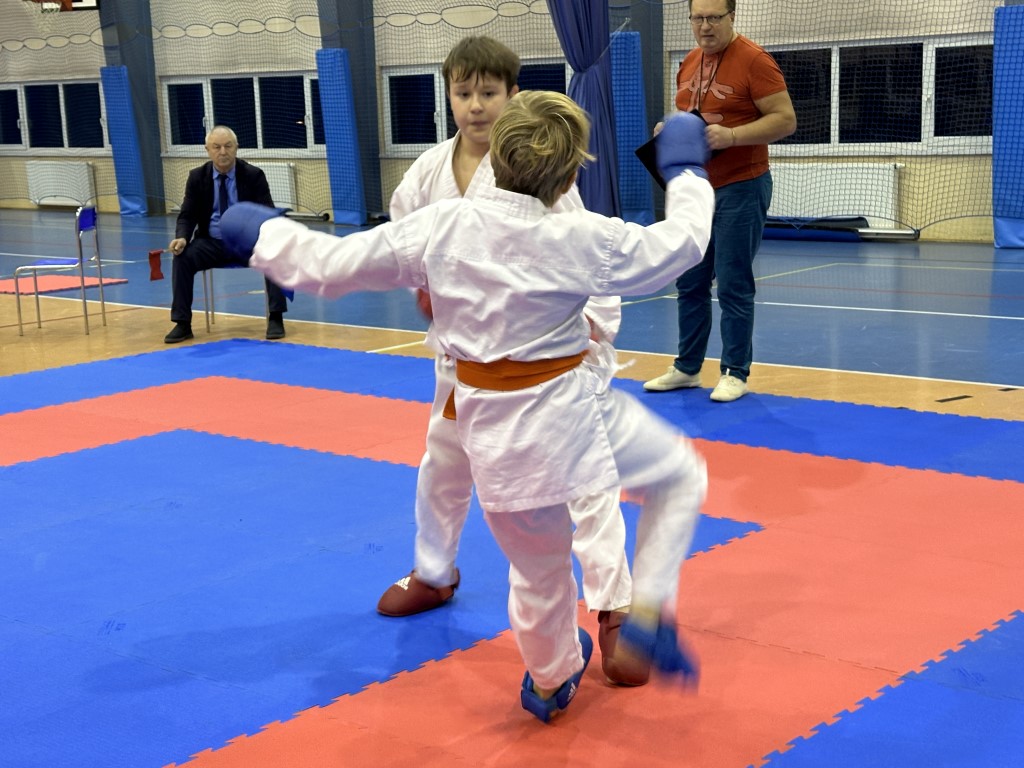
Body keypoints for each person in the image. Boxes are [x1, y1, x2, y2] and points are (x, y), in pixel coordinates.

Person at [220, 92, 714, 722]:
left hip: (494, 430)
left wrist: (264, 234)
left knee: (537, 571)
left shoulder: (441, 226)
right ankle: (646, 609)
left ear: (495, 159)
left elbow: (331, 265)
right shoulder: (582, 235)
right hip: (574, 413)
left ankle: (549, 681)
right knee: (678, 476)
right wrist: (686, 173)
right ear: (568, 178)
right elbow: (683, 242)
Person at [375, 36, 646, 687]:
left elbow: (590, 256)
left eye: (488, 93)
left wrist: (593, 335)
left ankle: (616, 609)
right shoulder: (429, 172)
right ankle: (434, 572)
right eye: (463, 93)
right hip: (464, 362)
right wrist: (421, 284)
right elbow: (400, 238)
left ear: (512, 95)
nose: (475, 106)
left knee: (586, 485)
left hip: (555, 365)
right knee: (442, 466)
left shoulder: (539, 171)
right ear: (449, 95)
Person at [644, 0, 796, 401]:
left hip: (741, 186)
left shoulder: (755, 60)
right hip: (696, 190)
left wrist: (732, 136)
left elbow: (785, 119)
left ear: (732, 17)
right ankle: (687, 367)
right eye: (698, 18)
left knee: (732, 283)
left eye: (714, 18)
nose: (705, 26)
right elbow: (692, 116)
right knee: (690, 280)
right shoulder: (690, 61)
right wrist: (671, 131)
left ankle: (734, 371)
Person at [163, 125, 290, 343]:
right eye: (217, 147)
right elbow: (187, 215)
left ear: (236, 148)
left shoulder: (253, 175)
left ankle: (276, 317)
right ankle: (182, 323)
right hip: (210, 243)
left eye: (228, 146)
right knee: (182, 258)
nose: (223, 152)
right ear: (208, 150)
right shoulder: (197, 177)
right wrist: (182, 237)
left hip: (246, 244)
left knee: (274, 253)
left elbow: (267, 213)